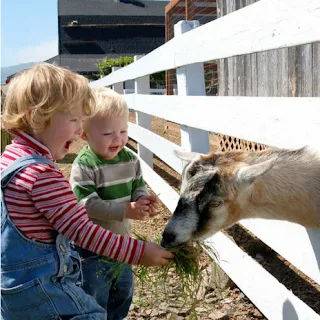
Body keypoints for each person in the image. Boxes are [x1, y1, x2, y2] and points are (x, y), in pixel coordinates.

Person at [0, 63, 173, 320]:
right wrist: (138, 252)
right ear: (36, 116)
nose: (80, 131)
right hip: (40, 290)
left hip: (12, 286)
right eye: (74, 120)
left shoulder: (11, 158)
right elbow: (82, 231)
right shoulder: (41, 175)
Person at [69, 87, 160, 320]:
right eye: (108, 133)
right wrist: (126, 211)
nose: (118, 138)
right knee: (94, 295)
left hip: (121, 244)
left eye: (123, 130)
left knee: (123, 291)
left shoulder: (130, 159)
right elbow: (86, 205)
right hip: (90, 249)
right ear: (85, 134)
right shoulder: (85, 165)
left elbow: (137, 184)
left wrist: (142, 199)